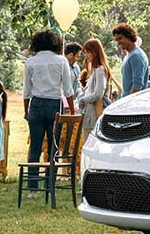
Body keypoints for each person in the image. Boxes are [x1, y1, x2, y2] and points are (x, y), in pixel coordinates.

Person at [22, 30, 76, 199]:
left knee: (35, 147)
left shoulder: (30, 62)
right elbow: (68, 89)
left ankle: (32, 188)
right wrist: (73, 111)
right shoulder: (61, 61)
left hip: (36, 104)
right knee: (53, 147)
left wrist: (26, 110)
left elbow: (26, 91)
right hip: (55, 104)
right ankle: (49, 183)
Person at [75, 39, 115, 146]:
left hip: (95, 112)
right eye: (85, 53)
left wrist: (83, 99)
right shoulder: (95, 70)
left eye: (88, 52)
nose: (86, 55)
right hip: (90, 111)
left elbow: (98, 93)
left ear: (95, 52)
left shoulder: (100, 70)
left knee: (90, 143)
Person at [113, 23, 149, 97]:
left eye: (120, 38)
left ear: (128, 36)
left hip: (132, 103)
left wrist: (129, 103)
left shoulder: (136, 55)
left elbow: (137, 85)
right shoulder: (130, 54)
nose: (118, 42)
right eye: (116, 40)